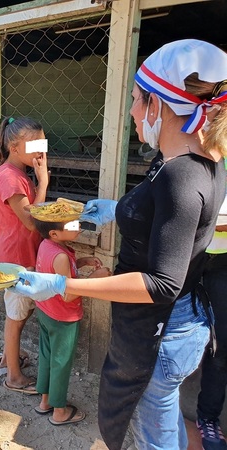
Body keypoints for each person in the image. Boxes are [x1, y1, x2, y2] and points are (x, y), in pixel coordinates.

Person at [14, 39, 227, 450]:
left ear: (158, 106)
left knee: (155, 433)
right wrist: (118, 209)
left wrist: (64, 286)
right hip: (162, 325)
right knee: (157, 421)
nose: (131, 111)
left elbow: (162, 283)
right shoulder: (179, 157)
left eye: (135, 99)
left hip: (162, 332)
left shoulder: (182, 178)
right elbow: (166, 218)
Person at [31, 217, 111, 426]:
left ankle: (45, 402)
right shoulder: (61, 256)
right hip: (62, 317)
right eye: (72, 225)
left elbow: (57, 274)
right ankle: (59, 412)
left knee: (47, 356)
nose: (79, 226)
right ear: (55, 233)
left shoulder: (47, 246)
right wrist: (96, 277)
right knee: (61, 363)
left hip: (46, 311)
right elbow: (68, 294)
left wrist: (82, 261)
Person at [0, 117, 49, 391]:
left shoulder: (17, 173)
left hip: (21, 256)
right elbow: (31, 221)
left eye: (43, 143)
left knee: (19, 313)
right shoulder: (10, 178)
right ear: (14, 146)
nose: (41, 151)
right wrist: (44, 182)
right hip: (15, 261)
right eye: (35, 145)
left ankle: (7, 359)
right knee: (15, 318)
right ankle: (12, 376)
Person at [197, 159, 227, 450]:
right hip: (187, 257)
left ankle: (208, 418)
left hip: (223, 263)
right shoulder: (193, 148)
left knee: (221, 344)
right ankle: (153, 403)